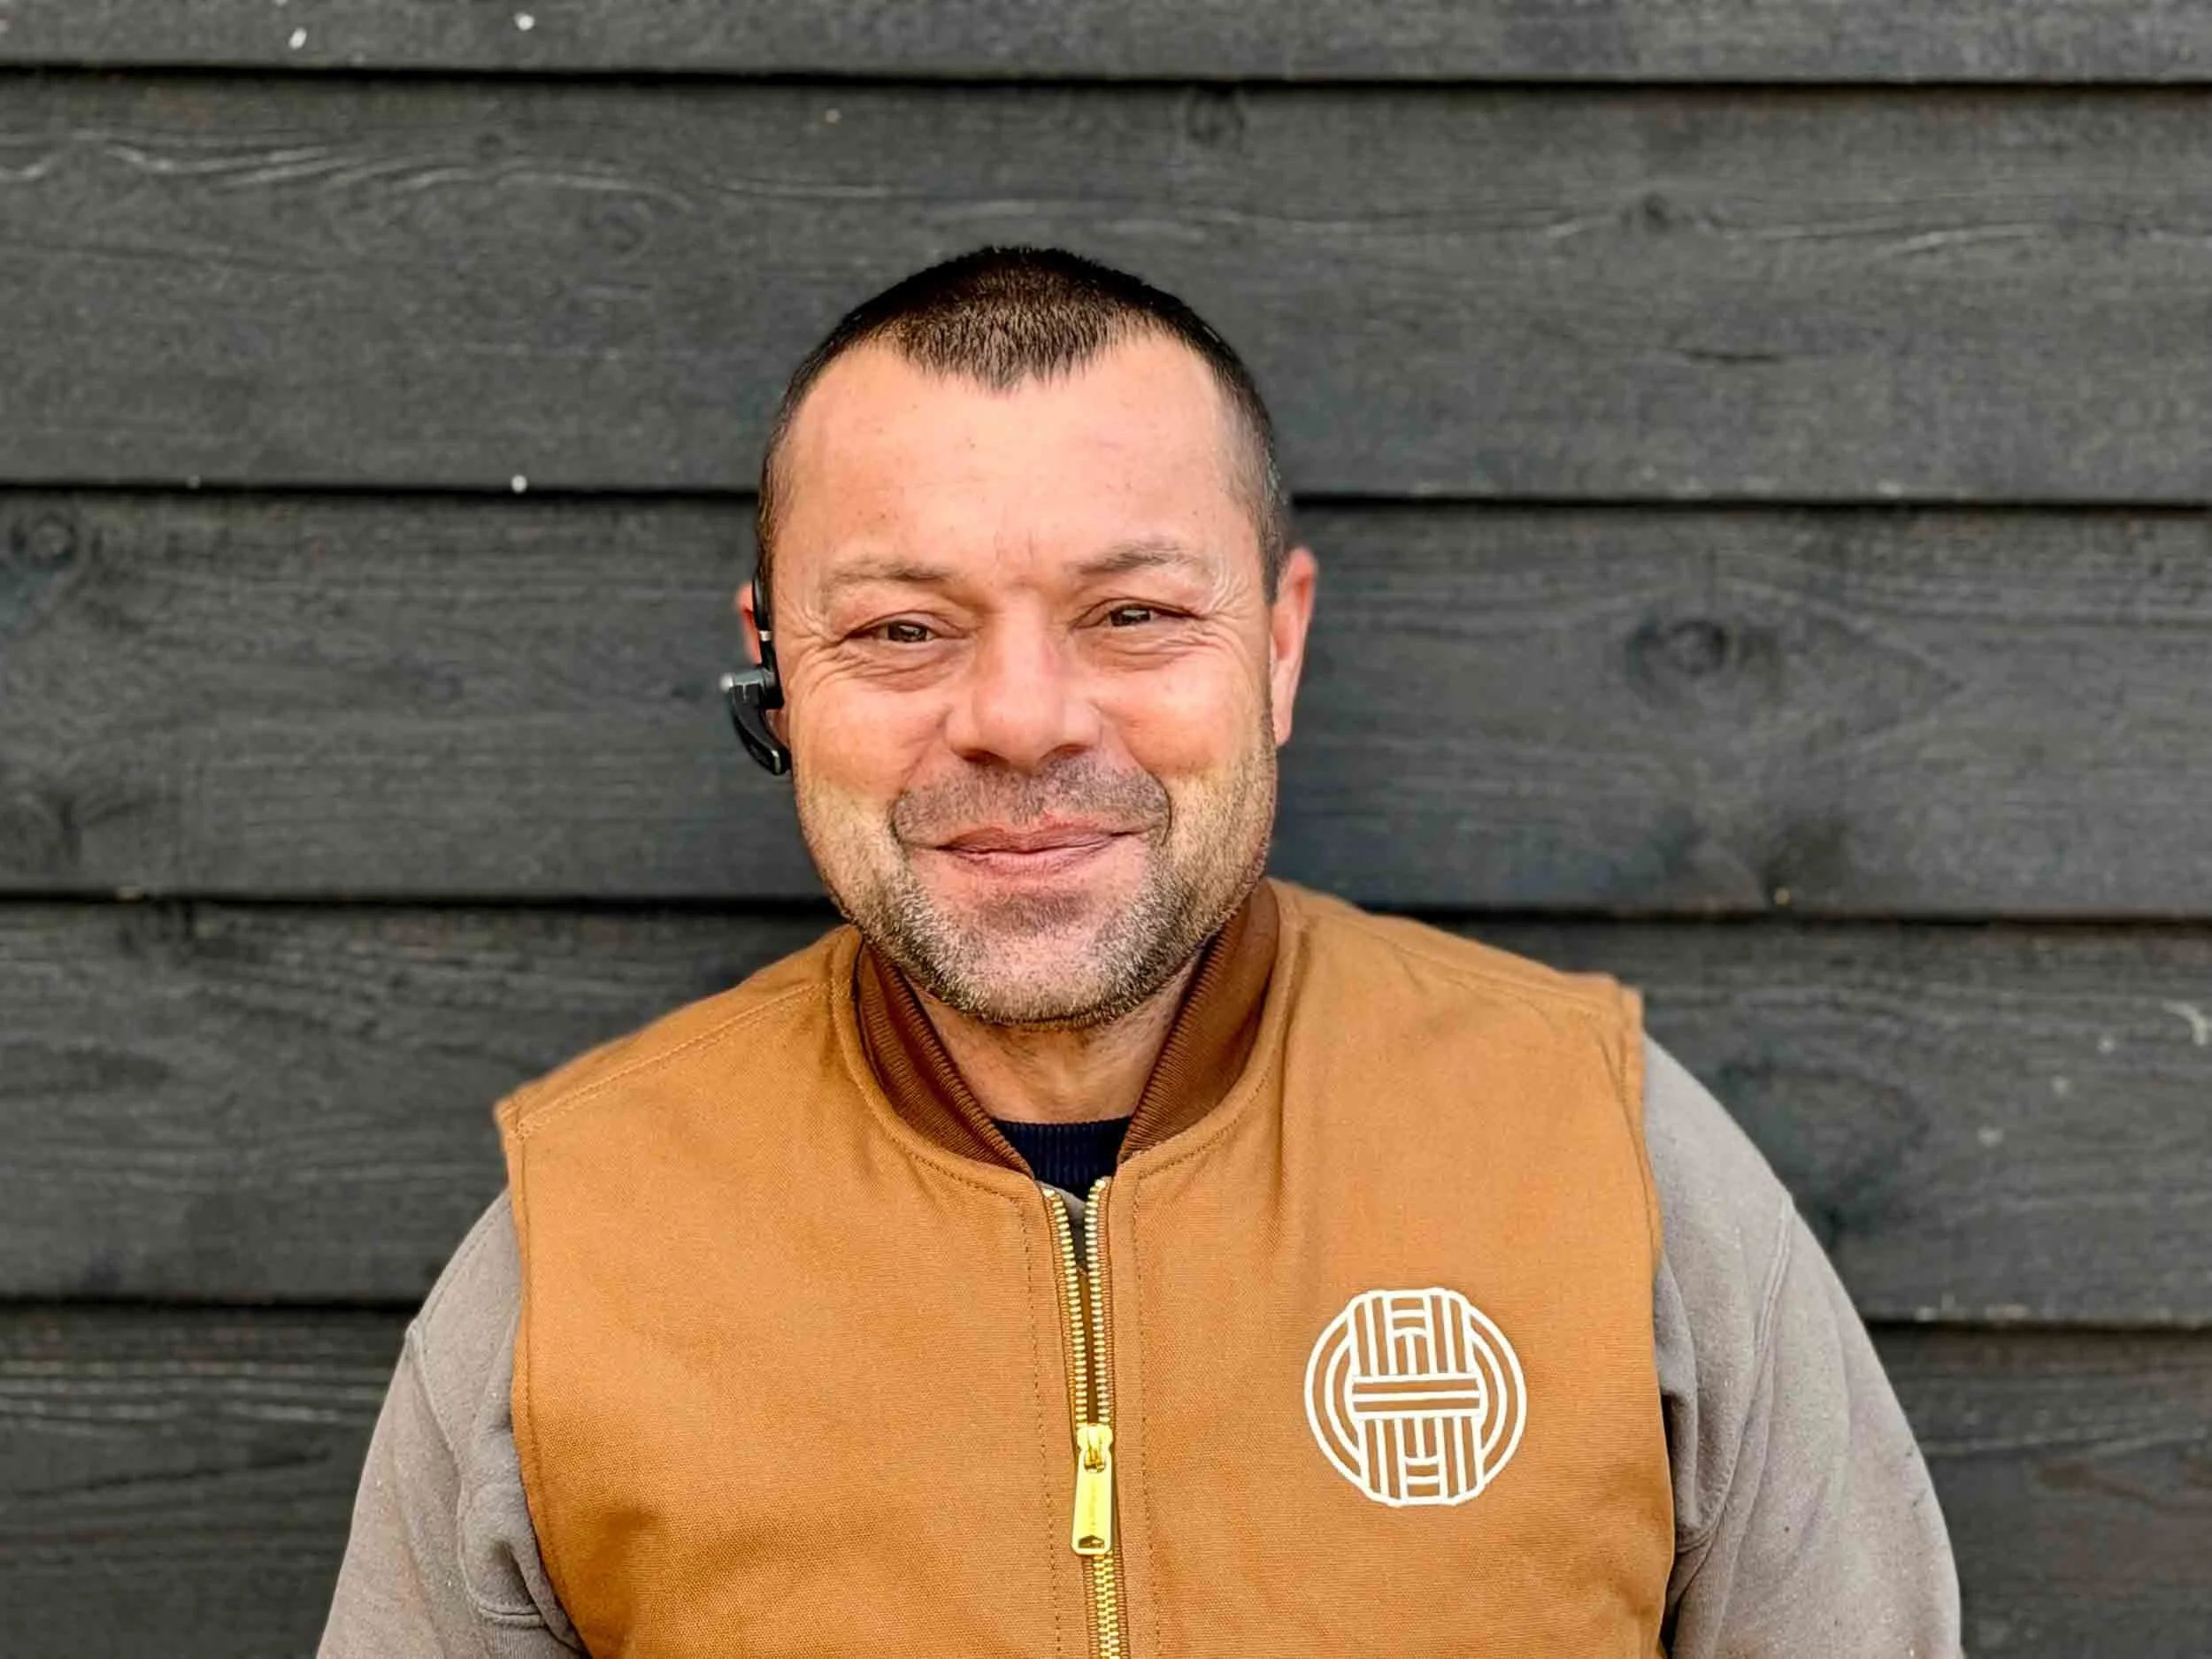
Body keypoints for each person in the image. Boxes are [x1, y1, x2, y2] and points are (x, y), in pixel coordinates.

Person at [319, 246, 1961, 1658]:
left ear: (1281, 642)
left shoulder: (1616, 1166)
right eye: (902, 627)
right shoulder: (574, 1256)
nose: (1023, 718)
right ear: (775, 666)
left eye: (1134, 614)